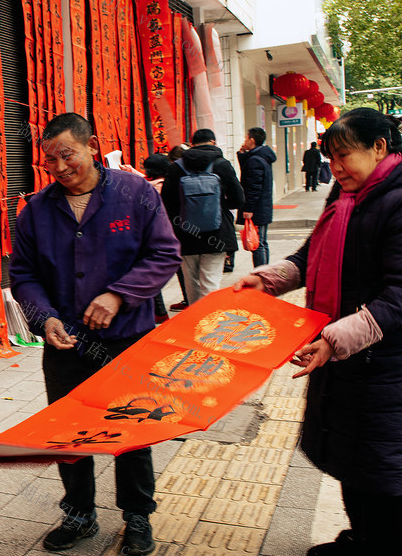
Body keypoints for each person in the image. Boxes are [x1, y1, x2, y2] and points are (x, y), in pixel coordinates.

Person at [10, 113, 181, 555]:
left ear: (92, 146)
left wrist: (119, 296)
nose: (60, 167)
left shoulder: (136, 193)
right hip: (66, 342)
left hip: (128, 336)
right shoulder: (36, 211)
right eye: (49, 160)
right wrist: (44, 317)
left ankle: (138, 515)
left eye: (67, 154)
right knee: (67, 431)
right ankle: (79, 514)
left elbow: (165, 254)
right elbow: (24, 275)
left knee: (133, 427)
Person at [233, 107, 402, 555]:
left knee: (383, 469)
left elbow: (399, 295)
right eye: (332, 157)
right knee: (353, 460)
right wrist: (268, 279)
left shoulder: (396, 199)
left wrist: (334, 339)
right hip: (347, 356)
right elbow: (312, 256)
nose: (336, 167)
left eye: (345, 156)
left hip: (384, 364)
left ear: (379, 148)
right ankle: (361, 537)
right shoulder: (347, 195)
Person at [161, 129, 244, 304]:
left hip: (185, 234)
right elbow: (239, 199)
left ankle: (195, 323)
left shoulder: (176, 167)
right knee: (211, 284)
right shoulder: (222, 165)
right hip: (217, 233)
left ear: (192, 144)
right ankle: (209, 324)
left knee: (191, 285)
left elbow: (166, 204)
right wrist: (217, 207)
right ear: (213, 142)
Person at [236, 127, 277, 267]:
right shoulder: (261, 157)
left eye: (246, 138)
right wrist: (242, 154)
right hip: (262, 206)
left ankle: (261, 274)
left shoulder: (255, 160)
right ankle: (265, 272)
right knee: (262, 241)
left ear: (251, 140)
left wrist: (248, 208)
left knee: (257, 243)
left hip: (257, 207)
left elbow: (253, 187)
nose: (245, 141)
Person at [143, 153, 172, 324]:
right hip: (170, 234)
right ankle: (160, 311)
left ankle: (160, 311)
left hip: (155, 235)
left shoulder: (153, 187)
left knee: (152, 273)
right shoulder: (170, 182)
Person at [166, 144, 191, 311]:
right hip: (211, 227)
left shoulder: (174, 171)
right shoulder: (211, 166)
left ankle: (189, 302)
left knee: (185, 268)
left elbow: (166, 202)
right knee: (208, 276)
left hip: (180, 227)